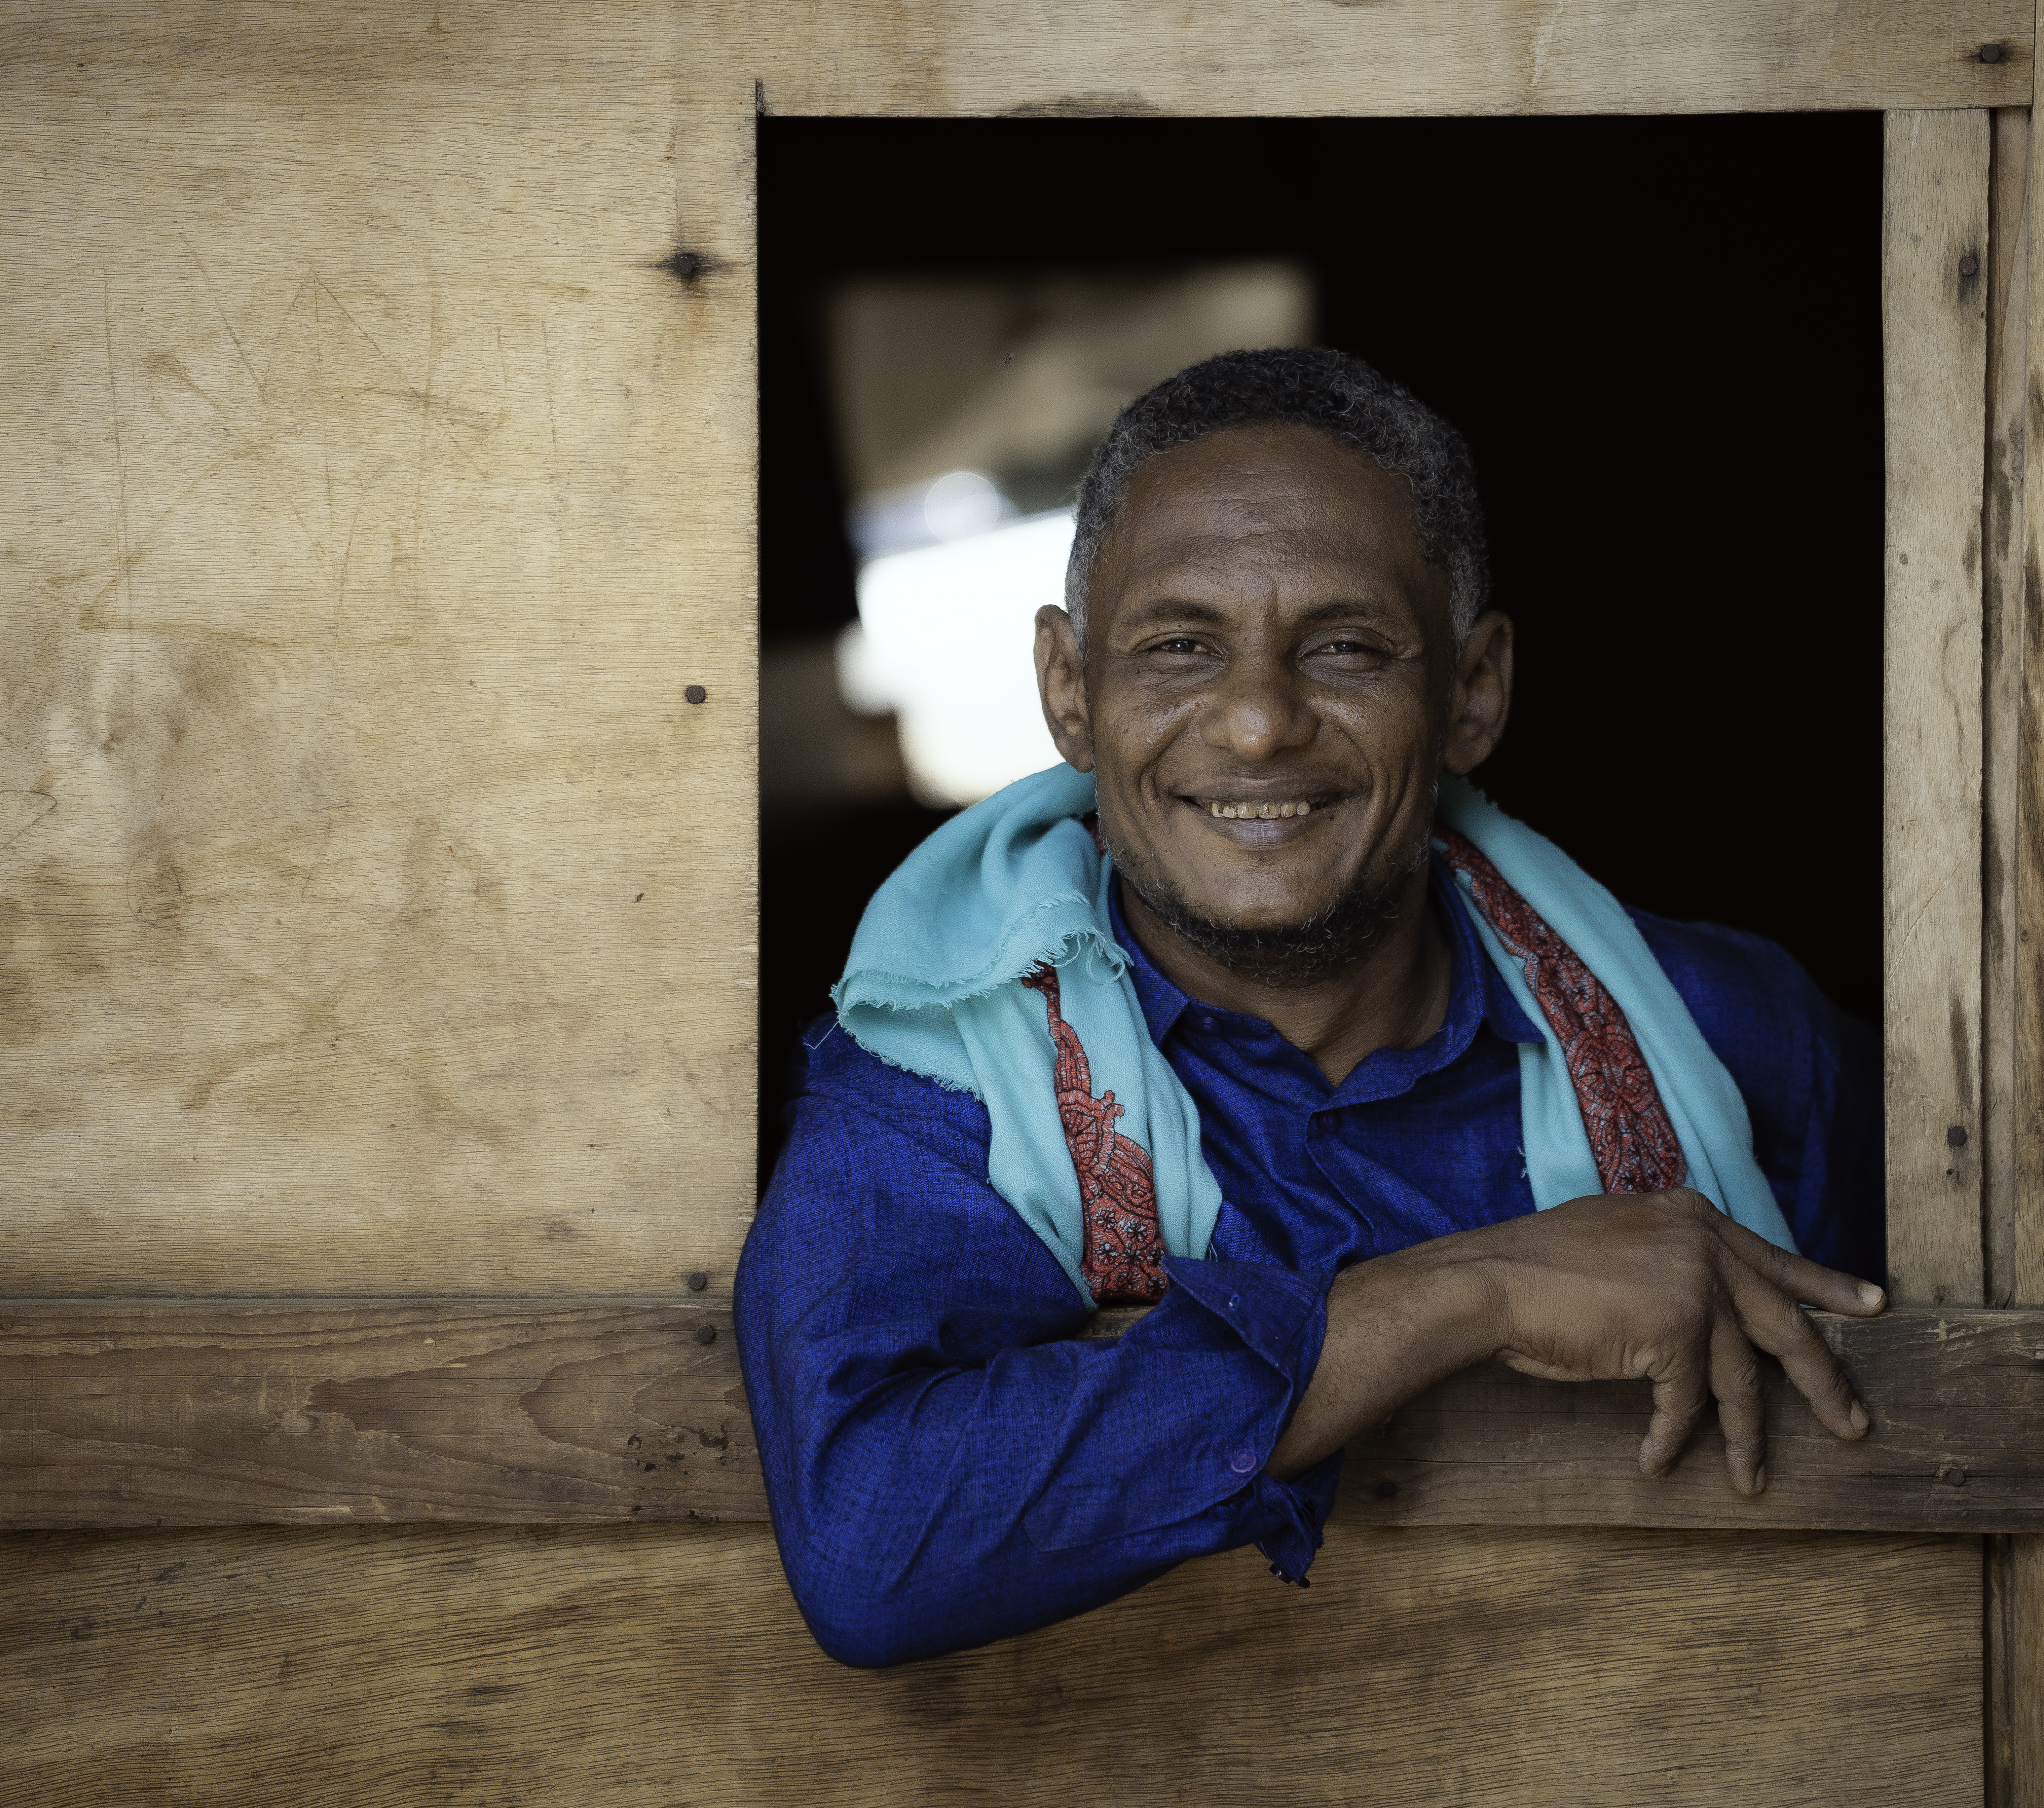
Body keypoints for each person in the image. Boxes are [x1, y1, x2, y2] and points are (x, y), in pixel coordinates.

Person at [736, 347, 1886, 1668]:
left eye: (1341, 648)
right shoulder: (948, 1077)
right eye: (1179, 648)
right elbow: (875, 1547)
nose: (1256, 724)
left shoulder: (1732, 1034)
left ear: (1470, 692)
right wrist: (1475, 1289)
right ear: (1068, 690)